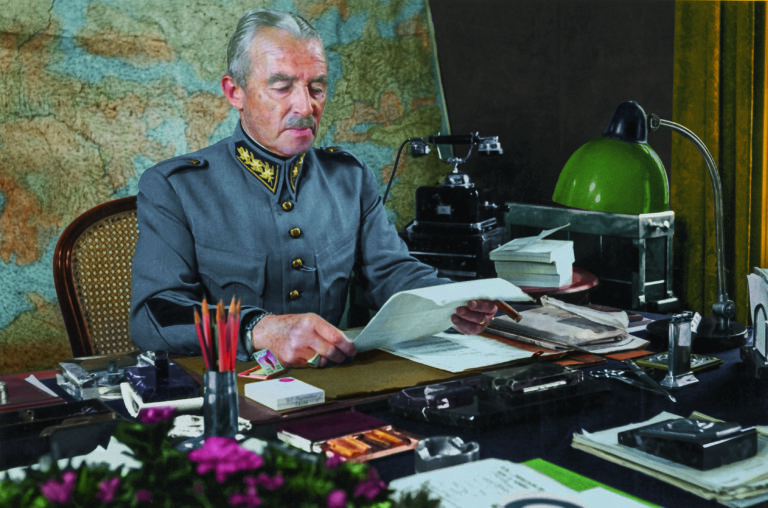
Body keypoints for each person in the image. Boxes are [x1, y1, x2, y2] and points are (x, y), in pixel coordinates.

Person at [129, 8, 498, 368]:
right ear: (235, 92)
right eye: (282, 86)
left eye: (316, 87)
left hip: (336, 385)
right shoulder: (176, 187)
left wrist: (451, 300)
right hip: (231, 391)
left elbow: (390, 272)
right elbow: (153, 314)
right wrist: (258, 328)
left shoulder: (348, 177)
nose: (305, 106)